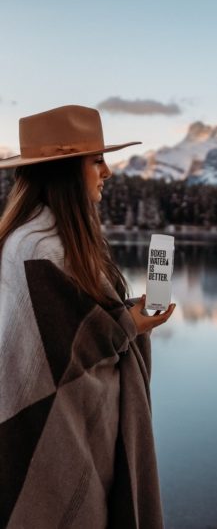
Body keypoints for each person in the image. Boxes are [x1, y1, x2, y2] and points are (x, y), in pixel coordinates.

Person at [0, 105, 176, 529]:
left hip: (78, 425)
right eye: (96, 160)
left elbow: (74, 328)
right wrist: (130, 323)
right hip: (52, 433)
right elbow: (55, 354)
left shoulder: (51, 242)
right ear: (64, 170)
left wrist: (127, 318)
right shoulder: (40, 250)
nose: (107, 172)